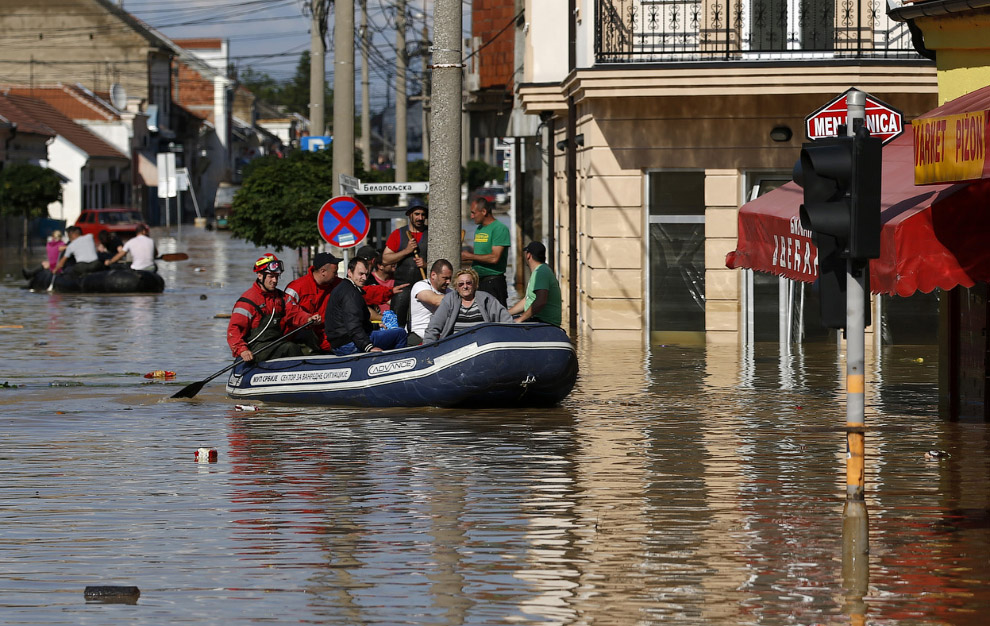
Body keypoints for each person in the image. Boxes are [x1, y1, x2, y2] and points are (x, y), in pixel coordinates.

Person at [227, 254, 320, 362]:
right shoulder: (247, 302)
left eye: (277, 276)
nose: (275, 280)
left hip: (276, 344)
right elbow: (234, 330)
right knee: (290, 348)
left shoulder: (282, 298)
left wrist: (308, 319)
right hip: (255, 349)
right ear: (260, 275)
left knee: (308, 336)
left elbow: (295, 312)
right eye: (271, 276)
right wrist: (242, 350)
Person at [324, 256, 408, 355]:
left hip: (340, 342)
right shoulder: (351, 293)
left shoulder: (345, 288)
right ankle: (397, 363)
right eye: (360, 274)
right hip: (349, 344)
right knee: (400, 333)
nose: (364, 278)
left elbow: (351, 322)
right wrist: (368, 346)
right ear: (350, 272)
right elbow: (353, 324)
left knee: (388, 333)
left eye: (366, 274)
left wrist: (376, 326)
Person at [422, 267, 512, 344]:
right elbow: (433, 328)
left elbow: (507, 322)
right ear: (456, 287)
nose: (465, 287)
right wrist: (428, 351)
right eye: (461, 284)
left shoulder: (487, 299)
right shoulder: (449, 300)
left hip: (482, 344)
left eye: (468, 283)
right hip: (455, 346)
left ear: (475, 285)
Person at [284, 251, 343, 353]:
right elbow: (289, 311)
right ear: (323, 271)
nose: (336, 275)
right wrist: (308, 319)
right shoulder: (297, 287)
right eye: (334, 272)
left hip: (327, 338)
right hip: (300, 338)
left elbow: (361, 293)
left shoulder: (338, 284)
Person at [382, 197, 428, 328]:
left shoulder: (431, 234)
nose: (420, 218)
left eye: (423, 214)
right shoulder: (398, 234)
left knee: (422, 325)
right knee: (395, 324)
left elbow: (441, 262)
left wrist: (426, 265)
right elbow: (385, 259)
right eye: (417, 214)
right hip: (402, 287)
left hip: (424, 287)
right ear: (409, 215)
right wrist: (406, 251)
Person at [461, 197, 511, 307]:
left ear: (484, 211)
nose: (471, 216)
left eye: (474, 213)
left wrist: (470, 256)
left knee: (496, 318)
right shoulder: (479, 229)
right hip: (478, 281)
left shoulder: (499, 228)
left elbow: (494, 258)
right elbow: (480, 252)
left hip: (493, 282)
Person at [508, 241, 562, 326]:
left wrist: (521, 319)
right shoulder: (539, 271)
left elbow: (541, 301)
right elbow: (527, 299)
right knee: (506, 320)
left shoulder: (541, 272)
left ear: (528, 255)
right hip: (537, 319)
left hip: (544, 322)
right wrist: (507, 313)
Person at [407, 258, 453, 345]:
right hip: (418, 338)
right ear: (433, 275)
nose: (448, 282)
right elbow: (435, 300)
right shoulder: (420, 286)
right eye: (445, 278)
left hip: (441, 339)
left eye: (450, 278)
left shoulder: (450, 292)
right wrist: (462, 298)